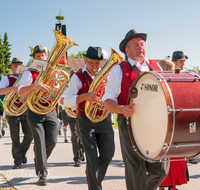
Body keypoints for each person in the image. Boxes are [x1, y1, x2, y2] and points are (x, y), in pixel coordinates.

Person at [103, 29, 169, 190]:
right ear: (127, 50)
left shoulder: (156, 66)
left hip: (155, 125)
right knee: (136, 171)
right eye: (135, 45)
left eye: (142, 44)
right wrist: (122, 109)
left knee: (161, 170)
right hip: (130, 125)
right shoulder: (118, 69)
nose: (140, 47)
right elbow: (107, 102)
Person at [60, 46, 115, 190]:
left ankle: (92, 178)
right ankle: (95, 186)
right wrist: (84, 96)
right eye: (91, 63)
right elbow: (65, 99)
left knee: (108, 155)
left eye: (98, 63)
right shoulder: (77, 76)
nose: (95, 67)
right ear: (85, 61)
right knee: (91, 159)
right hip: (85, 120)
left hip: (104, 119)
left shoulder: (107, 76)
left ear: (102, 62)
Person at [18, 45, 58, 186]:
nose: (40, 58)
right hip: (35, 112)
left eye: (42, 55)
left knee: (52, 141)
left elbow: (59, 89)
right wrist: (35, 86)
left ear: (47, 56)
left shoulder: (53, 72)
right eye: (38, 56)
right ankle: (42, 173)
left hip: (51, 110)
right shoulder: (29, 73)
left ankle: (40, 159)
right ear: (34, 58)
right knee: (40, 142)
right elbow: (21, 91)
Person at [158, 59, 188, 190]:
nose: (173, 72)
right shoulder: (161, 84)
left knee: (174, 158)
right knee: (165, 159)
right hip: (165, 126)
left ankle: (171, 186)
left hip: (173, 125)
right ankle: (164, 186)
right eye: (170, 69)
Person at [0, 57, 33, 169]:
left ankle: (21, 153)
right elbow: (0, 90)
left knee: (30, 134)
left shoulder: (26, 77)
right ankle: (17, 160)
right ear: (12, 67)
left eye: (20, 65)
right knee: (15, 137)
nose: (18, 68)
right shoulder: (7, 78)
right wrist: (13, 89)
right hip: (12, 110)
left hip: (25, 109)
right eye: (15, 66)